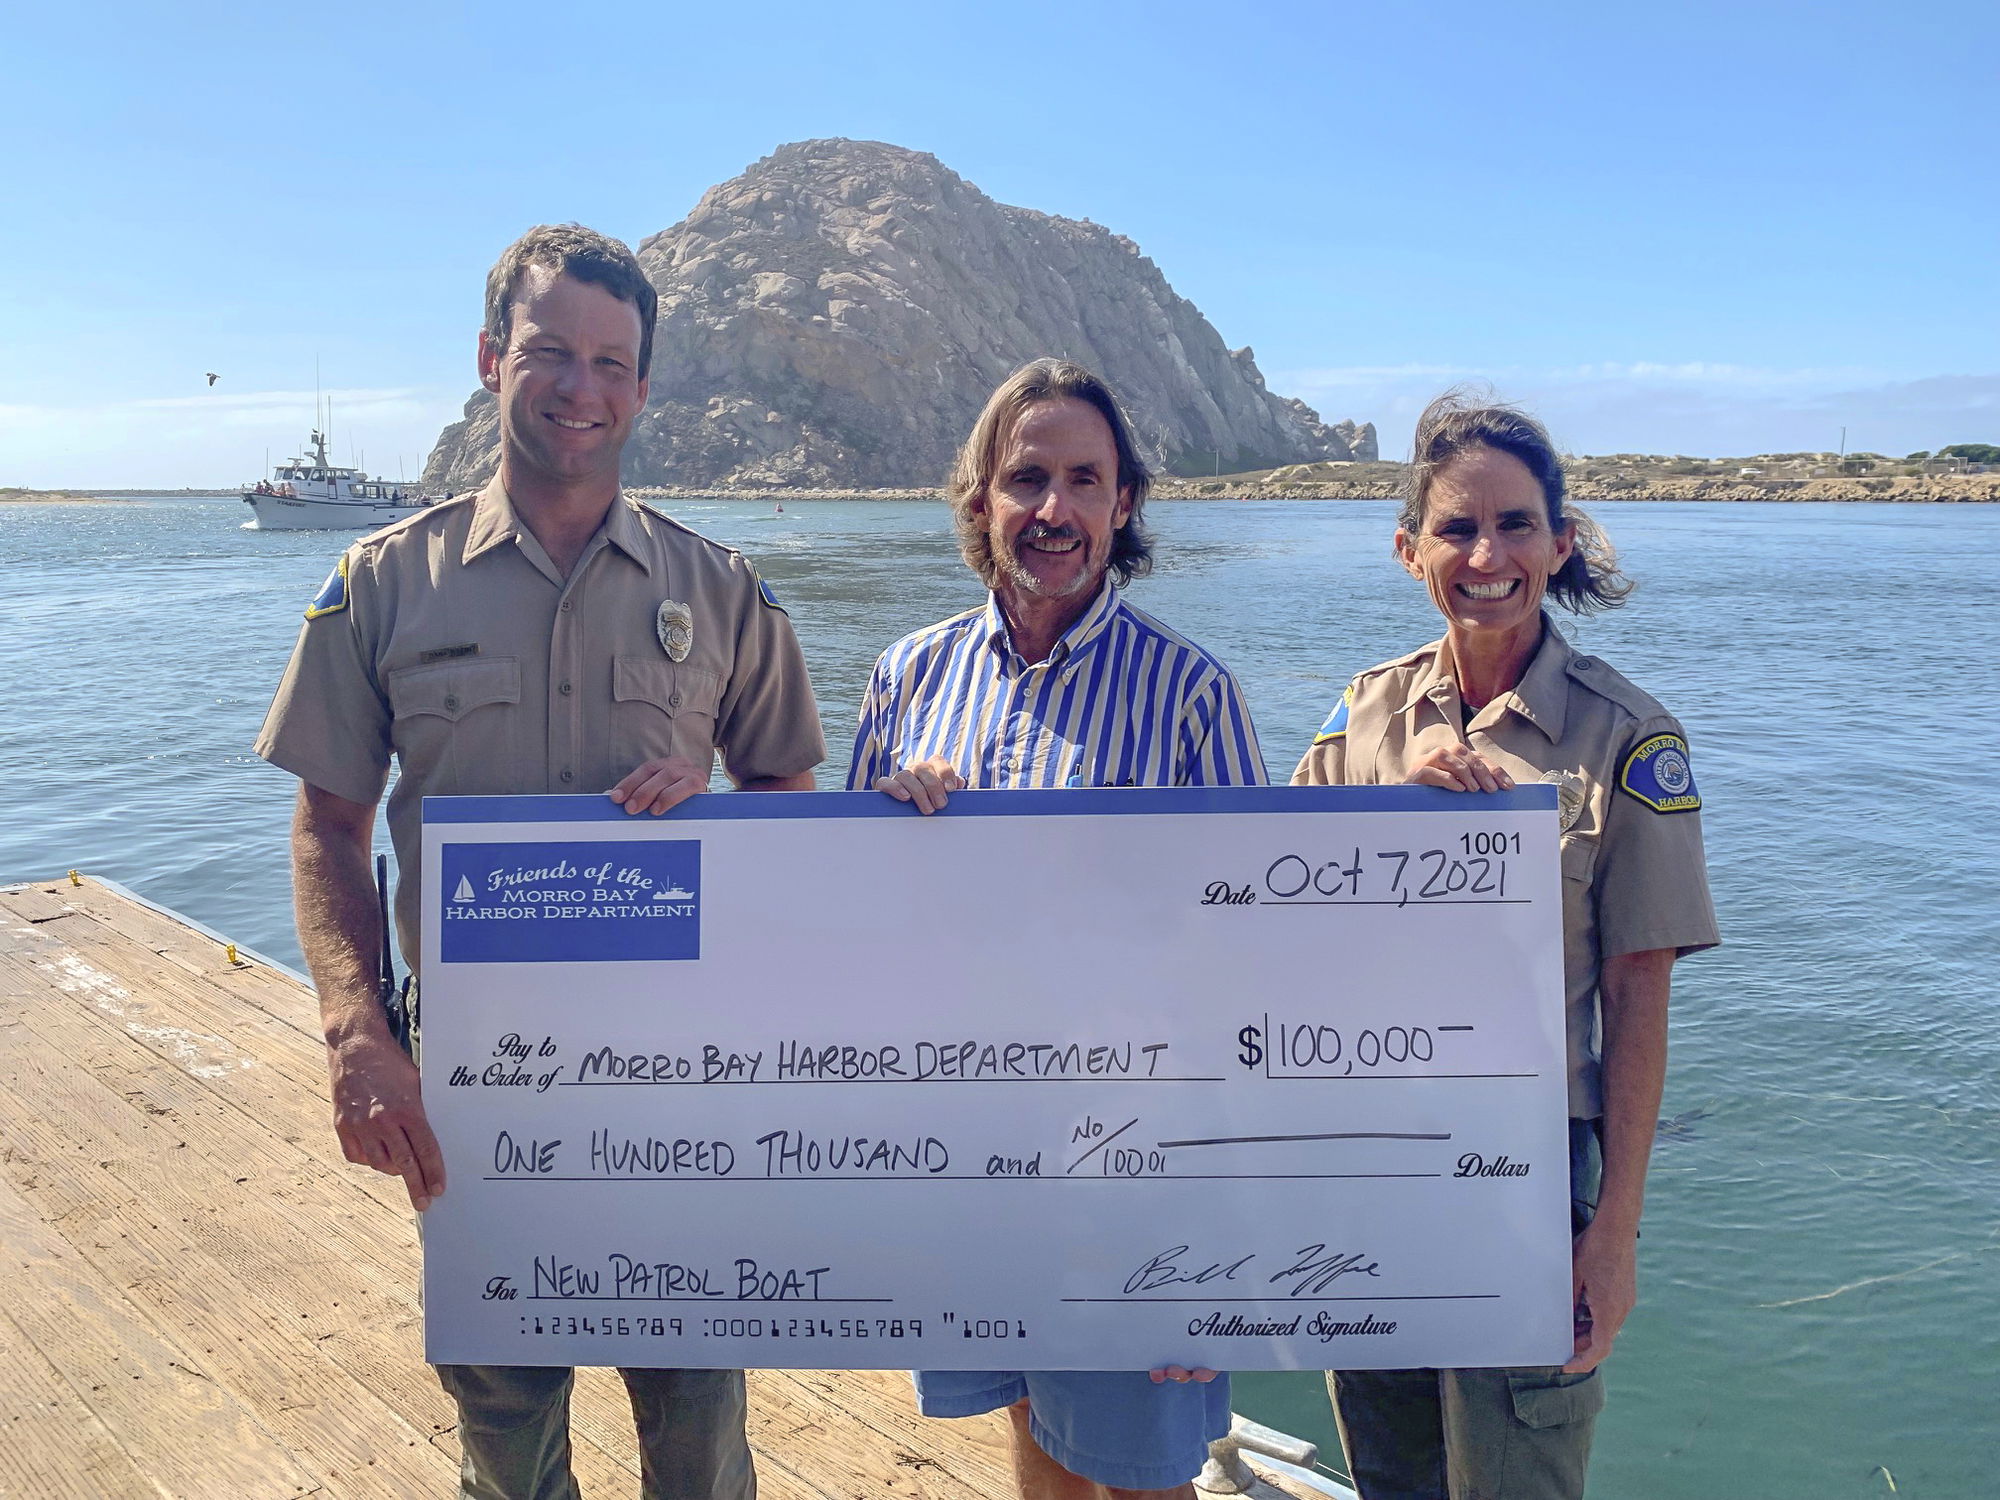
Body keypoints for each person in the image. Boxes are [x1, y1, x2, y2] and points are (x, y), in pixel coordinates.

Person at [255, 223, 825, 1500]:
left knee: (699, 1443)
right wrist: (357, 1032)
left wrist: (720, 826)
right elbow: (327, 827)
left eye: (613, 362)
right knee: (505, 1449)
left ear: (642, 382)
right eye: (550, 352)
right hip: (472, 1086)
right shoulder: (382, 585)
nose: (582, 388)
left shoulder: (721, 590)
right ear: (487, 360)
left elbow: (792, 809)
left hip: (683, 1085)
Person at [848, 359, 1264, 1499]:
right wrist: (889, 831)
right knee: (1028, 1422)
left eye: (1085, 480)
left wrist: (1220, 1233)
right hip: (966, 1151)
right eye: (1025, 477)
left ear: (1122, 504)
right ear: (979, 499)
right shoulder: (904, 680)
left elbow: (1251, 968)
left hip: (1135, 1165)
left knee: (1143, 1471)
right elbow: (849, 932)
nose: (1054, 509)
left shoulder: (1191, 694)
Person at [1292, 393, 1718, 1500]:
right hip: (1362, 1166)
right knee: (1386, 1470)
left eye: (1516, 525)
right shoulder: (1362, 716)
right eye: (1454, 528)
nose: (1486, 555)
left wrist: (1611, 1234)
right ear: (1406, 550)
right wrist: (1387, 811)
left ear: (1559, 542)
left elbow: (1635, 1004)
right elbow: (1260, 925)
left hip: (1526, 1177)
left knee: (1517, 1480)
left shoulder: (1627, 737)